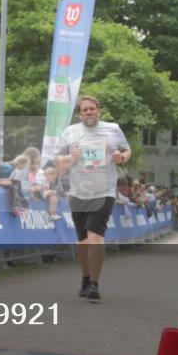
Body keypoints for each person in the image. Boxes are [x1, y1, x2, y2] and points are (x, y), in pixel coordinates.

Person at [56, 95, 131, 301]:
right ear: (79, 114)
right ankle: (86, 277)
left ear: (98, 110)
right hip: (78, 191)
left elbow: (126, 149)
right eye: (84, 110)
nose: (88, 112)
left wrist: (121, 157)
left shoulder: (112, 129)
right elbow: (59, 161)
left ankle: (95, 284)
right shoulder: (70, 133)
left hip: (103, 190)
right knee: (82, 241)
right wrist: (73, 157)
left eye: (92, 109)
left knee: (95, 236)